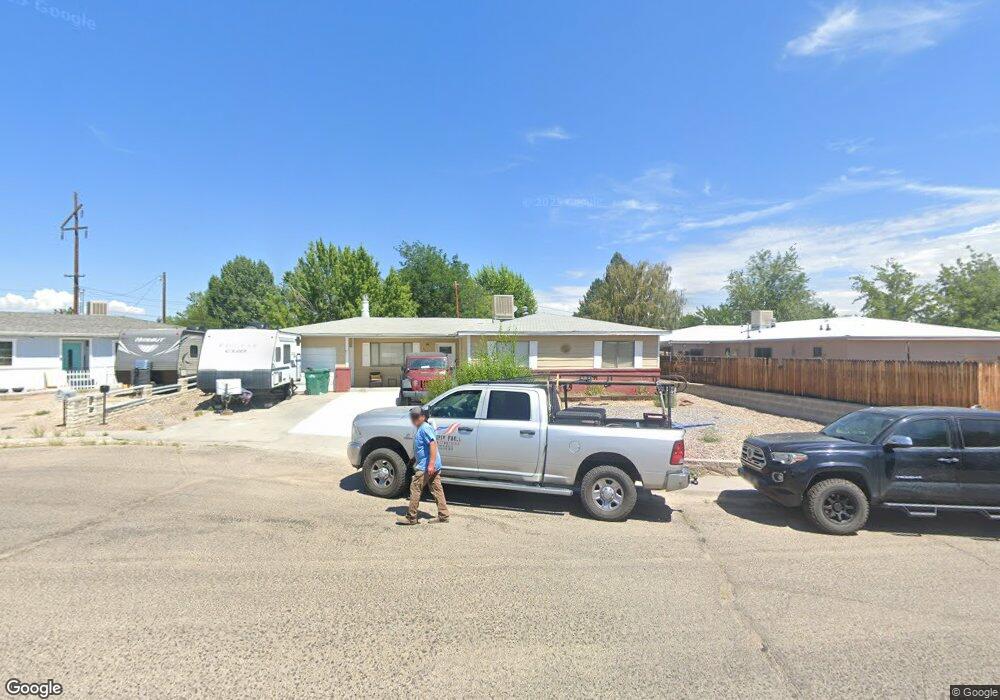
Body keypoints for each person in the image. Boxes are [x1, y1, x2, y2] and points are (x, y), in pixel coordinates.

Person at [399, 405, 450, 524]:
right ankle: (444, 515)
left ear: (423, 417)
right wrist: (414, 458)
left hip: (426, 466)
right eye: (412, 417)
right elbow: (422, 447)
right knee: (437, 490)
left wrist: (430, 465)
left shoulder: (425, 428)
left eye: (416, 416)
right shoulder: (421, 427)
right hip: (431, 465)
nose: (414, 419)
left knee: (415, 487)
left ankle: (411, 517)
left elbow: (433, 444)